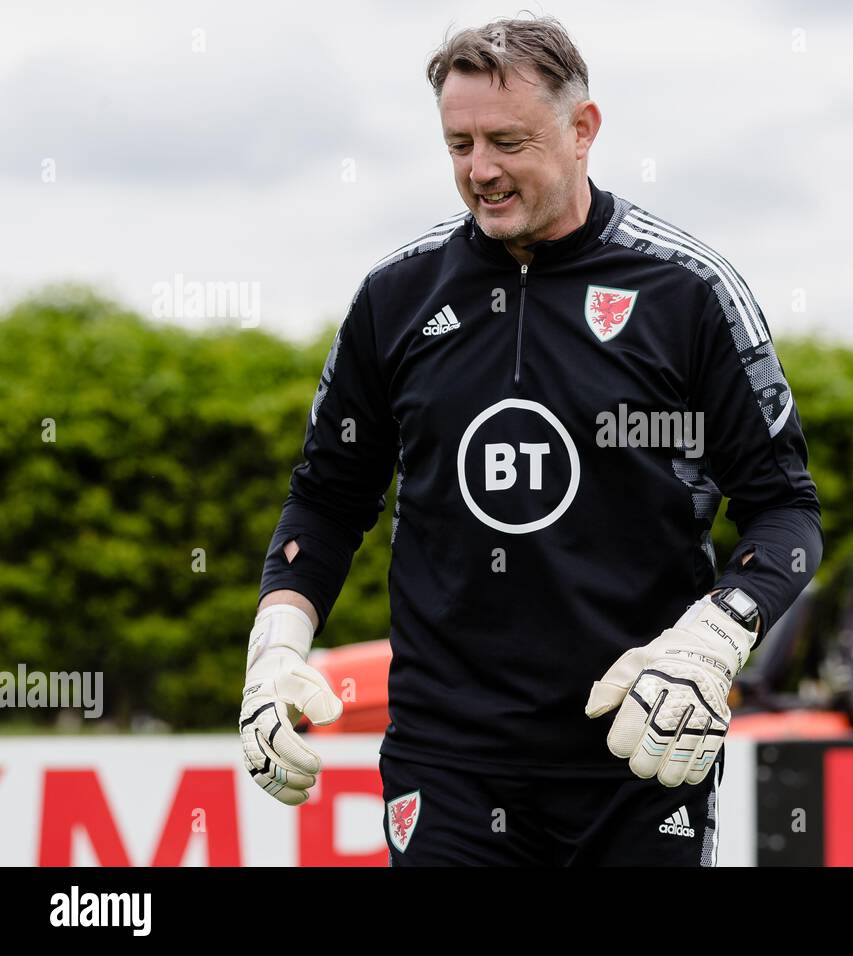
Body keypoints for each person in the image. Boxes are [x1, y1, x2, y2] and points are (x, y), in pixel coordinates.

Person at [239, 14, 822, 866]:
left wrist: (715, 639)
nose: (480, 171)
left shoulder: (688, 292)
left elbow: (785, 514)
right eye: (459, 144)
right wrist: (274, 648)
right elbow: (326, 501)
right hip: (448, 763)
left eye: (508, 141)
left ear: (583, 130)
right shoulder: (395, 298)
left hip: (640, 750)